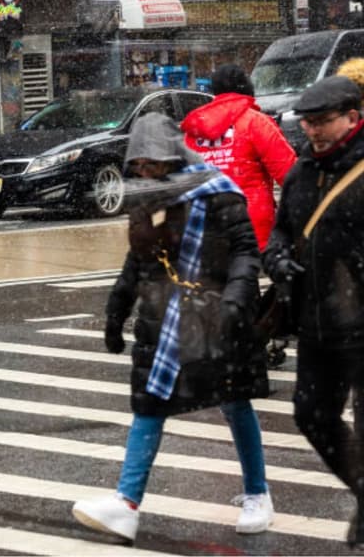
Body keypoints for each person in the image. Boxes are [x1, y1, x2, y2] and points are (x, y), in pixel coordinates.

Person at [72, 113, 272, 542]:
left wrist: (237, 297)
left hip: (217, 314)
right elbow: (138, 261)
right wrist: (116, 308)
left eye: (151, 163)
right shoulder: (148, 200)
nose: (143, 172)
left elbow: (244, 250)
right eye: (138, 165)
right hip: (164, 319)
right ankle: (126, 504)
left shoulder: (216, 192)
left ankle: (258, 492)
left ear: (171, 156)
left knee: (235, 401)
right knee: (150, 404)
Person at [264, 76, 364, 545]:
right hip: (317, 323)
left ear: (352, 116)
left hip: (362, 326)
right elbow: (281, 232)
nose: (314, 131)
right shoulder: (302, 171)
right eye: (308, 122)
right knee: (311, 415)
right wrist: (278, 258)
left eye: (323, 122)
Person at [181, 64, 295, 250]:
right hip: (251, 227)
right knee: (246, 275)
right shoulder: (256, 122)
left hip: (206, 227)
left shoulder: (194, 130)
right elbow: (289, 174)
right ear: (247, 87)